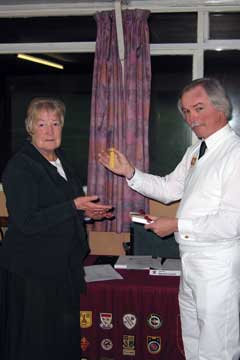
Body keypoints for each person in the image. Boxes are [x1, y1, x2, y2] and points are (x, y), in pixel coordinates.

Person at [98, 78, 240, 360]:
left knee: (217, 347)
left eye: (198, 108)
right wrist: (130, 172)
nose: (191, 118)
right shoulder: (196, 151)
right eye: (186, 112)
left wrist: (175, 225)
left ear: (221, 108)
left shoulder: (234, 154)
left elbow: (231, 223)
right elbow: (168, 189)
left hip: (218, 265)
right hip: (190, 260)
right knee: (193, 340)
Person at [0, 97, 113, 360]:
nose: (49, 131)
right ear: (30, 128)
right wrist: (73, 206)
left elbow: (62, 207)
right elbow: (27, 220)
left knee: (62, 339)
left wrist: (85, 212)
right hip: (32, 272)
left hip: (62, 267)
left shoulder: (60, 159)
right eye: (42, 124)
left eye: (55, 123)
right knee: (37, 343)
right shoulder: (21, 166)